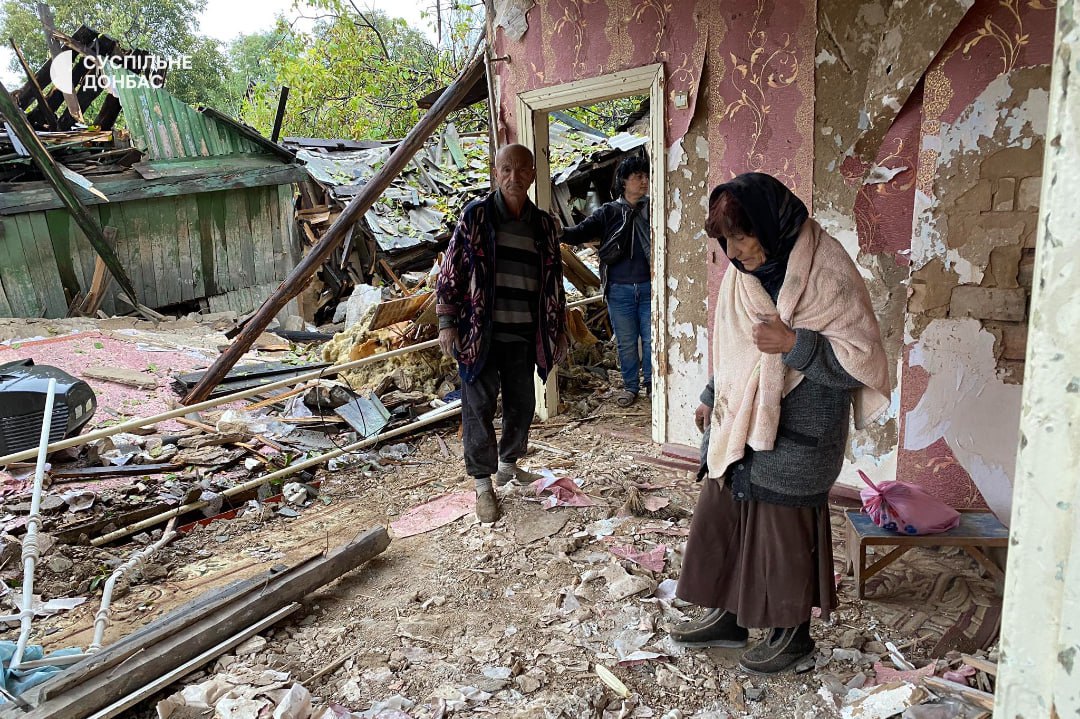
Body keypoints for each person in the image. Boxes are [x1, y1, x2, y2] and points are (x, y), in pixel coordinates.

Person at [671, 172, 891, 675]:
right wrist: (712, 394)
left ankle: (791, 635)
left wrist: (796, 345)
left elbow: (860, 362)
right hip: (741, 422)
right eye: (725, 241)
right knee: (722, 511)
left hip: (802, 430)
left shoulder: (827, 270)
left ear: (770, 226)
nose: (734, 251)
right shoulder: (741, 276)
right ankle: (727, 616)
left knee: (780, 532)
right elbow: (735, 345)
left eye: (741, 237)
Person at [436, 144, 568, 523]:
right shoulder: (476, 217)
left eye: (521, 170)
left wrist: (557, 332)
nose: (513, 177)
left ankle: (508, 466)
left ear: (532, 174)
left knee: (522, 404)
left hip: (525, 334)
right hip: (480, 335)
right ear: (496, 173)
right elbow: (451, 272)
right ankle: (483, 486)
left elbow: (554, 283)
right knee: (477, 410)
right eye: (505, 169)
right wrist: (447, 322)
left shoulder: (543, 225)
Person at [562, 155, 651, 407]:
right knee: (626, 342)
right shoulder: (609, 212)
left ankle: (653, 387)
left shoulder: (653, 209)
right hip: (619, 290)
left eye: (645, 176)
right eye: (638, 177)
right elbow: (579, 233)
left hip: (649, 288)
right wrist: (557, 229)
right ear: (624, 181)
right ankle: (631, 387)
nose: (644, 181)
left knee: (652, 340)